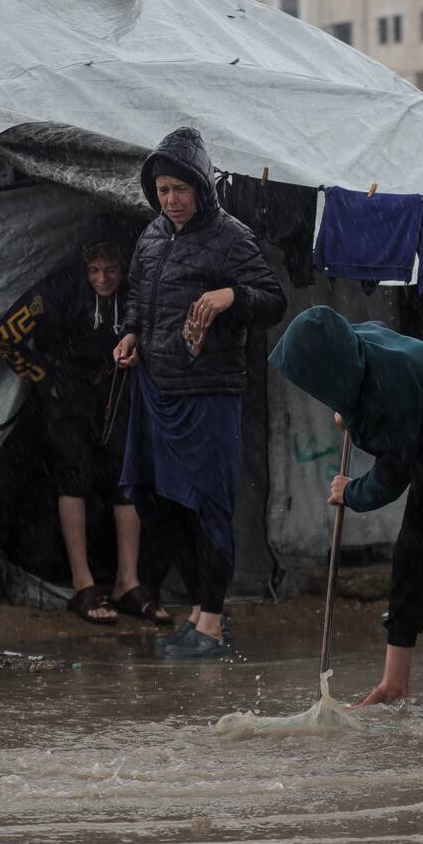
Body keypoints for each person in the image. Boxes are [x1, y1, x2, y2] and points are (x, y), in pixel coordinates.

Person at [269, 306, 423, 719]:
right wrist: (349, 409)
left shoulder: (392, 389)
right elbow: (378, 327)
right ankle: (394, 684)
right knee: (410, 558)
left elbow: (390, 478)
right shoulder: (356, 346)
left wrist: (351, 492)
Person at [113, 128, 287, 660]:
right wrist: (131, 333)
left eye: (180, 189)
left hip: (208, 390)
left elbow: (273, 300)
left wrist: (231, 294)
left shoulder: (231, 237)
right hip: (156, 386)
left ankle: (211, 622)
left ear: (201, 187)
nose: (171, 200)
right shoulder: (152, 236)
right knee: (154, 497)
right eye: (163, 190)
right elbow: (139, 295)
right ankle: (199, 608)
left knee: (209, 503)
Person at [0, 214, 169, 626]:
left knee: (126, 478)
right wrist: (45, 379)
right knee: (73, 476)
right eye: (94, 270)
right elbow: (2, 336)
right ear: (82, 267)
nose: (103, 279)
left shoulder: (136, 294)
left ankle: (127, 582)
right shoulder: (57, 290)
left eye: (111, 270)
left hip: (116, 394)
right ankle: (82, 583)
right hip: (67, 397)